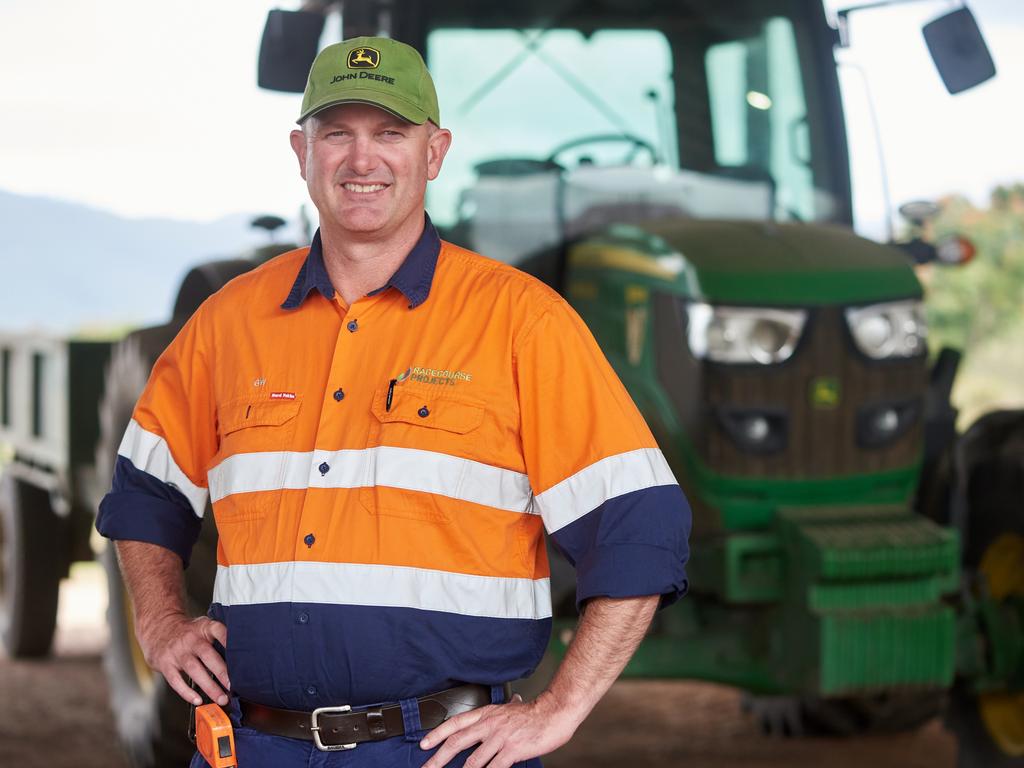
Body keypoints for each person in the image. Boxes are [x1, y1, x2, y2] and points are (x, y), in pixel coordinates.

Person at [96, 35, 691, 768]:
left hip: (439, 751)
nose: (362, 160)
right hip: (250, 747)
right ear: (301, 150)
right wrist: (157, 621)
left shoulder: (521, 323)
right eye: (337, 133)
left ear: (435, 152)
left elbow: (641, 523)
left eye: (391, 133)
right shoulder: (227, 323)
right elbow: (143, 494)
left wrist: (560, 711)